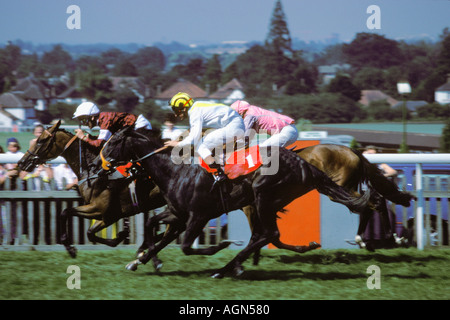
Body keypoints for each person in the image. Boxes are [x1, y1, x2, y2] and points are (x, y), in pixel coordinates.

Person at [164, 92, 245, 182]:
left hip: (234, 126)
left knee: (201, 147)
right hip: (235, 125)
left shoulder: (194, 112)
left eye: (175, 110)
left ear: (183, 107)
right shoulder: (197, 107)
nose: (175, 115)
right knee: (205, 143)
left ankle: (219, 175)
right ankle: (219, 170)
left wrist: (177, 144)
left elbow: (193, 139)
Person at [73, 101, 153, 148]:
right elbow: (107, 138)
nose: (84, 123)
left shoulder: (105, 120)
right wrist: (92, 137)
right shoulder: (103, 119)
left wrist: (83, 137)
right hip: (134, 127)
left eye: (84, 120)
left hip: (140, 126)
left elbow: (100, 144)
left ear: (92, 117)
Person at [230, 100, 298, 148]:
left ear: (240, 111)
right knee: (259, 146)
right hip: (289, 130)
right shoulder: (252, 110)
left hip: (286, 132)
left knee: (263, 148)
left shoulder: (249, 116)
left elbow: (243, 136)